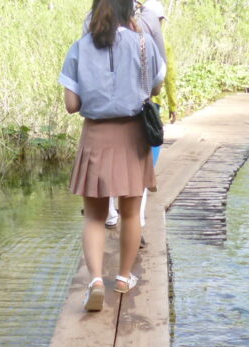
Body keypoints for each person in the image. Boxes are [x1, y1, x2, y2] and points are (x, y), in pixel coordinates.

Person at [60, 0, 165, 311]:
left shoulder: (79, 47)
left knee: (94, 216)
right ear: (128, 11)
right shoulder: (143, 44)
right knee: (131, 213)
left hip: (96, 136)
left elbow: (71, 104)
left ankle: (94, 281)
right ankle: (122, 278)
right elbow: (155, 89)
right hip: (133, 136)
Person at [104, 0, 174, 230]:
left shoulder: (92, 33)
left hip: (103, 113)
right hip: (140, 108)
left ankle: (110, 213)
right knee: (140, 168)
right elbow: (160, 76)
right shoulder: (148, 29)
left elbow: (73, 101)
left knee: (108, 165)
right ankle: (137, 219)